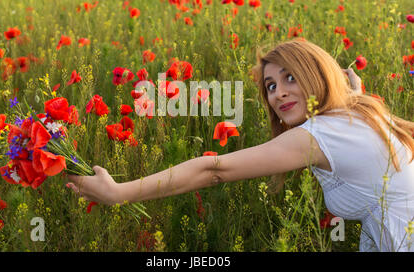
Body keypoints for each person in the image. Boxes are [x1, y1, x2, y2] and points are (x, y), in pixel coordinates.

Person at [66, 39, 414, 252]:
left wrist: (118, 193)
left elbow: (213, 170)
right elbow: (351, 98)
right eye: (271, 86)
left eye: (290, 77)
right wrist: (349, 88)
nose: (279, 93)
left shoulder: (320, 135)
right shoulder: (358, 111)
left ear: (318, 75)